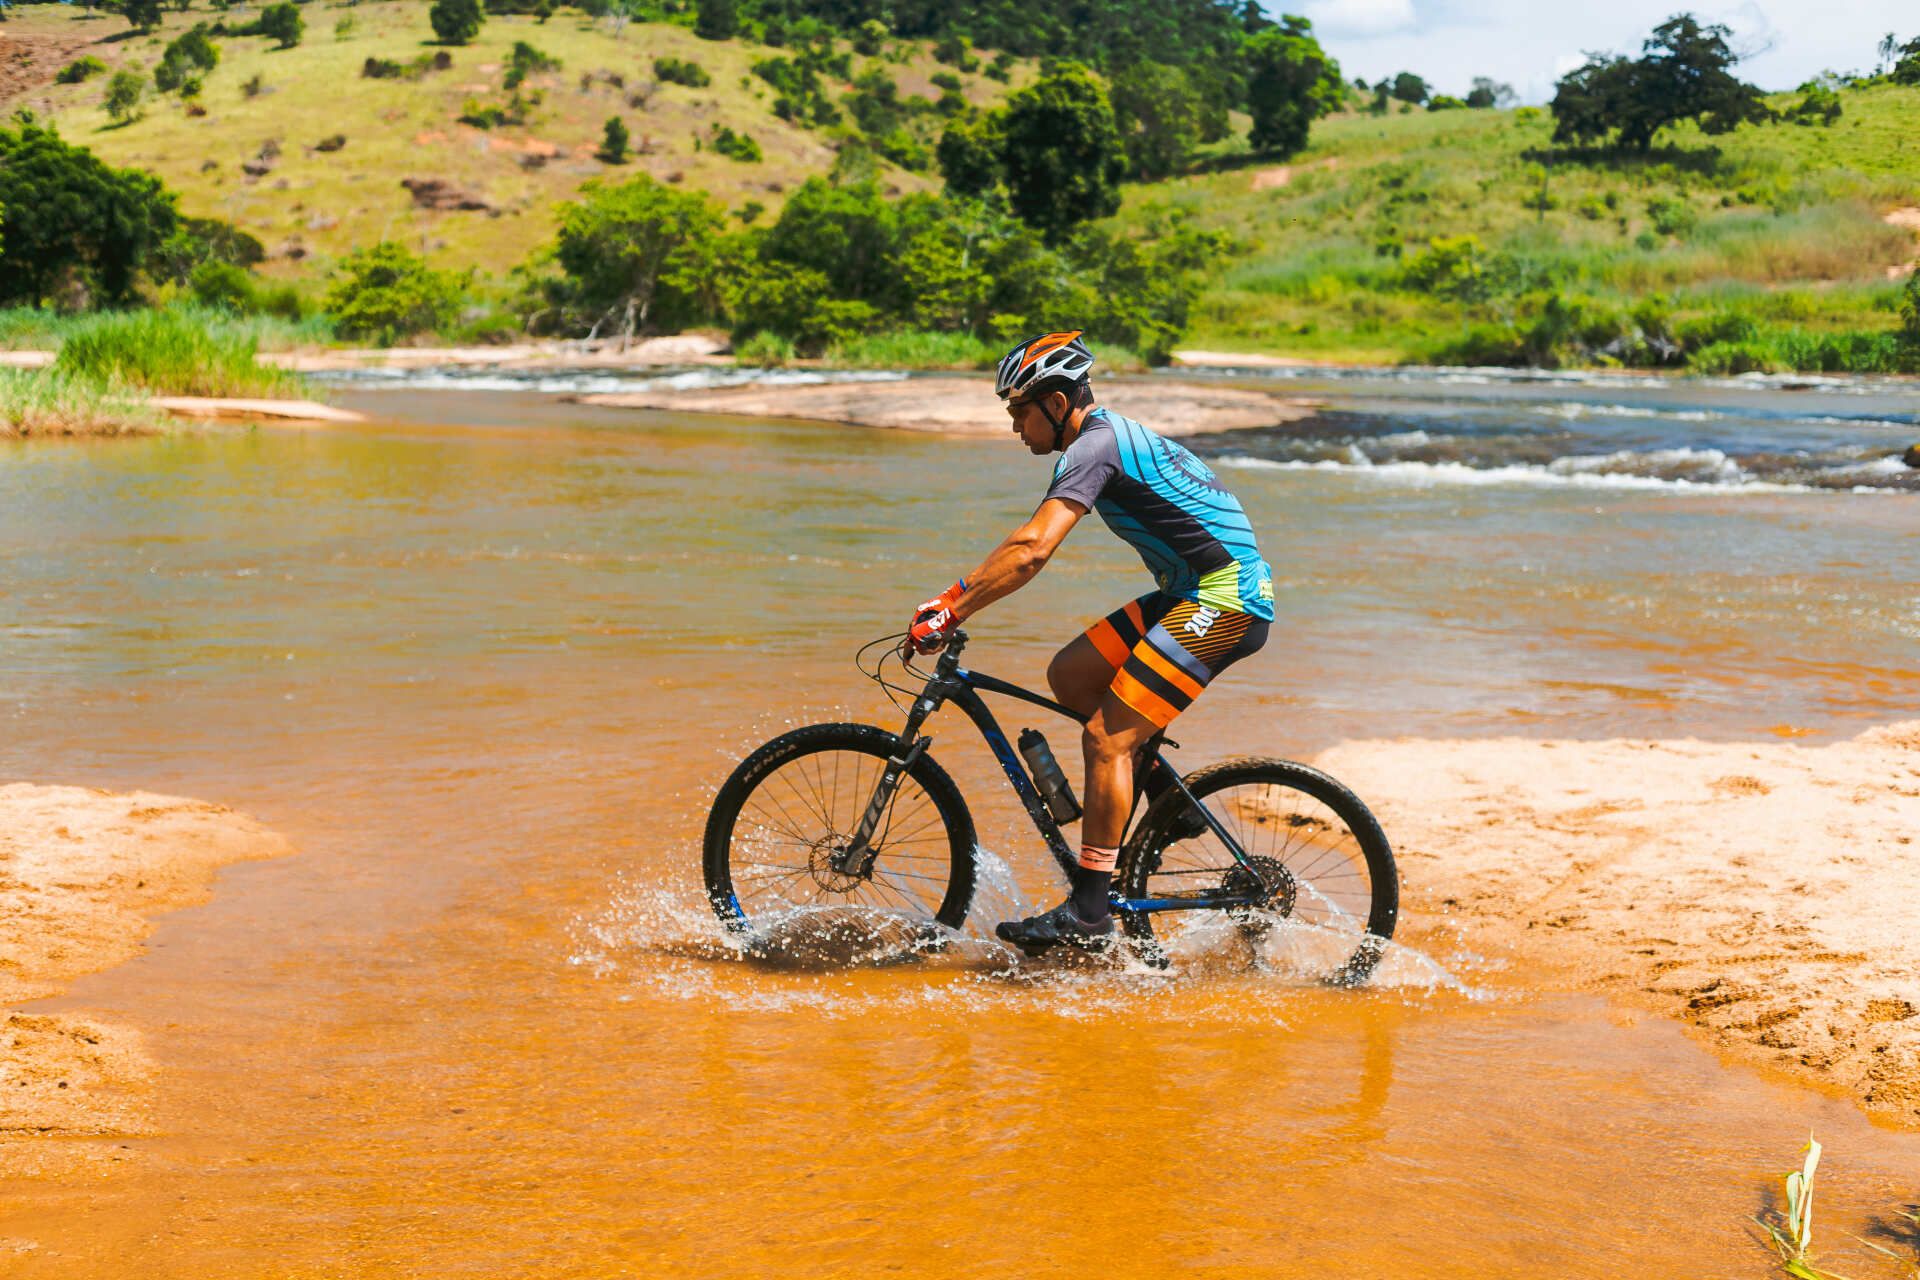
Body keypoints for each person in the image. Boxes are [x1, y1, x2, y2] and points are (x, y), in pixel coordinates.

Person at [900, 331, 1275, 955]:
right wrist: (957, 599)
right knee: (1072, 676)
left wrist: (951, 605)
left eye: (1018, 409)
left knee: (1106, 737)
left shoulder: (1094, 447)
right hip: (1191, 589)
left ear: (1052, 402)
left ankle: (1091, 909)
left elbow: (1032, 549)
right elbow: (1026, 546)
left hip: (1226, 598)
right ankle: (1165, 804)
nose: (1015, 424)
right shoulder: (1100, 438)